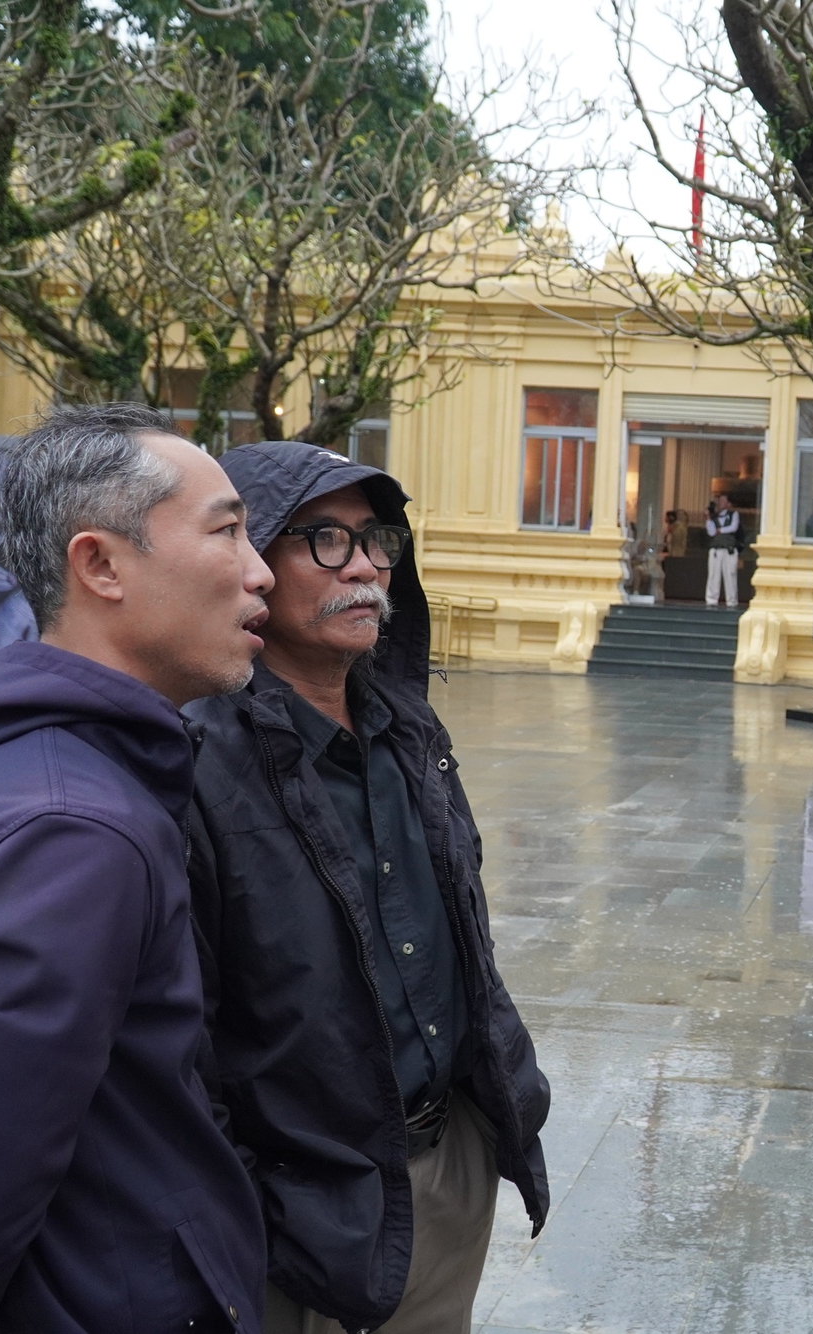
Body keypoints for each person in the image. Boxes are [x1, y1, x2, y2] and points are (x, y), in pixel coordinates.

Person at [0, 403, 274, 1332]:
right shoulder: (74, 832)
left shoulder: (51, 769)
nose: (260, 571)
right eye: (226, 531)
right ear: (100, 564)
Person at [183, 441, 551, 1334]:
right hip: (296, 1220)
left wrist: (490, 1112)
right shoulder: (196, 765)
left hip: (446, 1171)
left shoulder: (410, 733)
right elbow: (181, 1036)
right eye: (325, 540)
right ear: (252, 562)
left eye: (378, 539)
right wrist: (248, 1204)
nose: (366, 567)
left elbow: (464, 933)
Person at [705, 492, 741, 606]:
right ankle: (711, 600)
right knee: (713, 575)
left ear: (728, 504)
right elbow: (711, 532)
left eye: (723, 501)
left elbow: (733, 527)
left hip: (729, 550)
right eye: (719, 501)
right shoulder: (714, 517)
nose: (720, 503)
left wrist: (720, 530)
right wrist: (708, 518)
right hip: (716, 550)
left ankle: (731, 601)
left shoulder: (734, 514)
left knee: (730, 574)